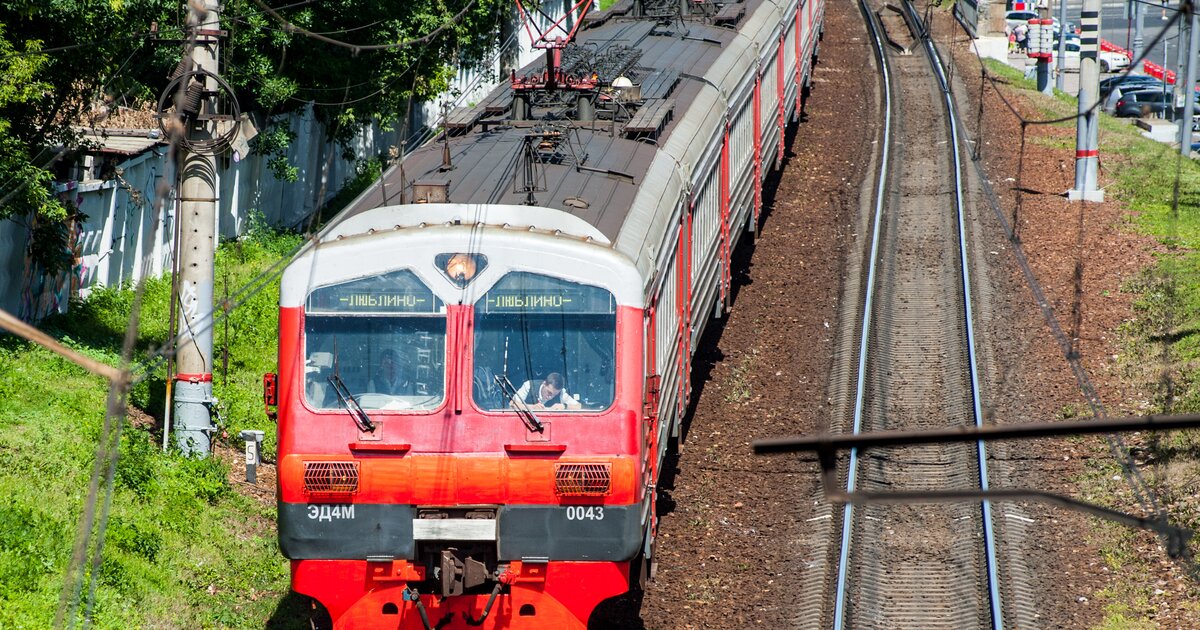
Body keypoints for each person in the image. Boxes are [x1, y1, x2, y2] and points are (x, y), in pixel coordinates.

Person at [513, 372, 581, 410]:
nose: (550, 397)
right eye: (549, 392)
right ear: (544, 383)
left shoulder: (561, 393)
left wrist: (564, 406)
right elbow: (512, 405)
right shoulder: (529, 385)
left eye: (555, 395)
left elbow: (578, 406)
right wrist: (532, 407)